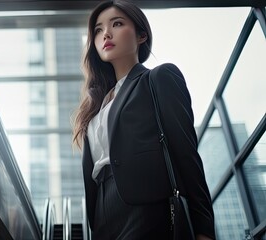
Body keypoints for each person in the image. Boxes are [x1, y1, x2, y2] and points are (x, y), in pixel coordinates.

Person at [72, 0, 215, 239]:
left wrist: (204, 229)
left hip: (148, 207)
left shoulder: (159, 78)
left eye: (117, 24)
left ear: (141, 35)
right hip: (102, 216)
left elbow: (186, 152)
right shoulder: (95, 104)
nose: (106, 33)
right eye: (98, 30)